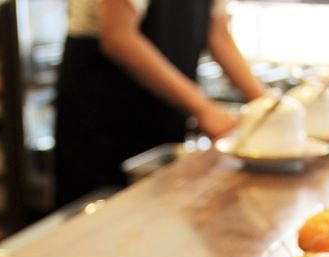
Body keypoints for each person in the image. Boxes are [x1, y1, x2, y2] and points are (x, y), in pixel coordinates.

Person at [54, 0, 267, 206]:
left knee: (160, 212)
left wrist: (269, 106)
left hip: (162, 111)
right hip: (105, 112)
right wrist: (203, 108)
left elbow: (217, 33)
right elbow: (118, 37)